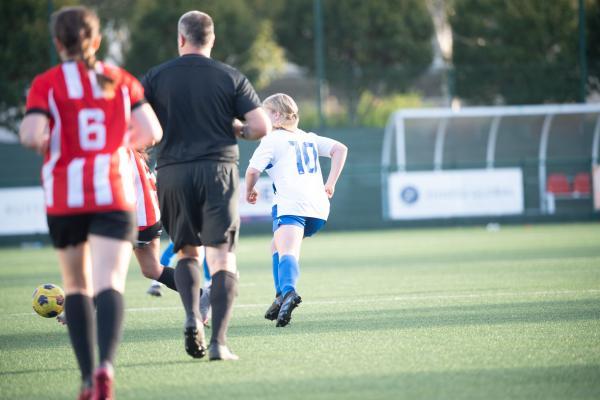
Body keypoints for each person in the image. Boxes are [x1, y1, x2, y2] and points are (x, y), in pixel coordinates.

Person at [19, 6, 162, 400]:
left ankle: (86, 377)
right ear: (96, 42)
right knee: (109, 284)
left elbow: (31, 134)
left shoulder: (46, 83)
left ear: (57, 43)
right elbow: (151, 130)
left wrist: (53, 143)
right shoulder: (120, 79)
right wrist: (114, 146)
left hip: (66, 198)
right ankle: (106, 369)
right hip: (113, 196)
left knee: (77, 286)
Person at [141, 10, 271, 360]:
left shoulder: (155, 77)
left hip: (172, 172)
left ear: (181, 39)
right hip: (218, 171)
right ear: (211, 40)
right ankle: (219, 343)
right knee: (223, 259)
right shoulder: (230, 76)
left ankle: (190, 317)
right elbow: (260, 126)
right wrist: (238, 130)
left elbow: (137, 127)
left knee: (186, 252)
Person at [245, 93, 348, 327]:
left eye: (266, 113)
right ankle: (280, 295)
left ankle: (288, 292)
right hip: (319, 209)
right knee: (277, 246)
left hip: (292, 204)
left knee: (287, 250)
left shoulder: (271, 139)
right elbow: (340, 149)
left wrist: (249, 191)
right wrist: (330, 183)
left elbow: (252, 171)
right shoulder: (308, 137)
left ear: (277, 115)